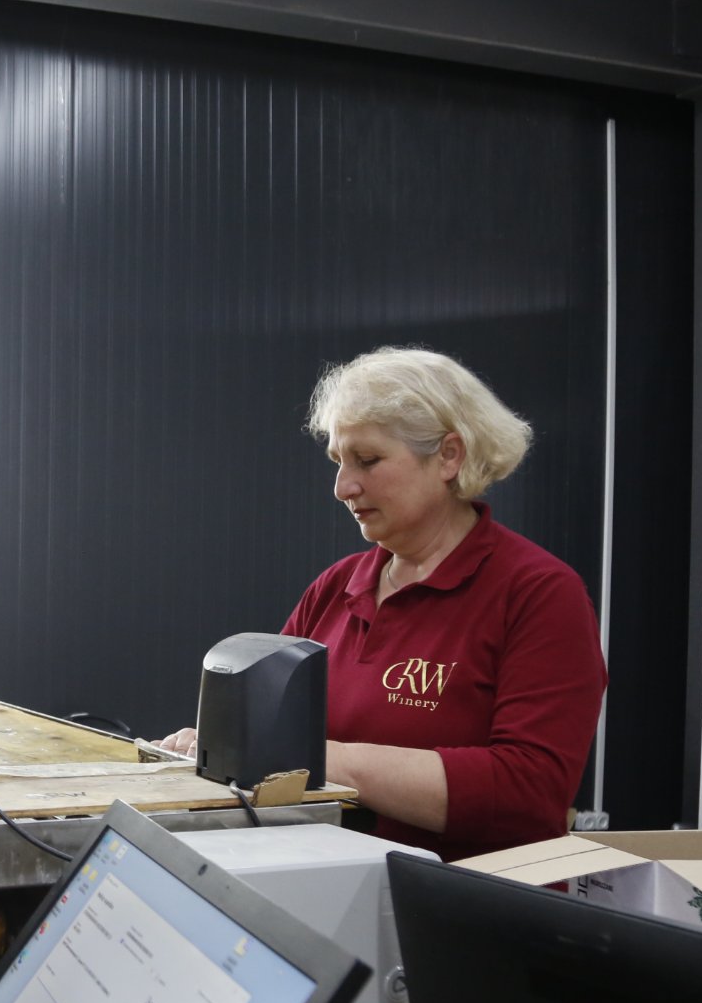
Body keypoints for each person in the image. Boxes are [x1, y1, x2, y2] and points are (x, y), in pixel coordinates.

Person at [160, 347, 605, 860]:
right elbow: (268, 738)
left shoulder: (538, 594)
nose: (342, 487)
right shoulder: (334, 588)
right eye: (339, 462)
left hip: (464, 898)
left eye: (367, 461)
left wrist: (320, 760)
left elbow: (529, 792)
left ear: (449, 456)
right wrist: (216, 751)